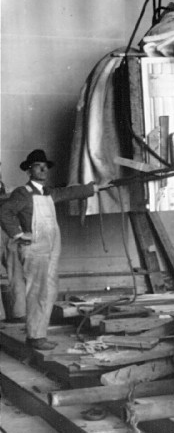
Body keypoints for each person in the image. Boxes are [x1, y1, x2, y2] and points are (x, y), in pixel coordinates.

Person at [1, 149, 114, 349]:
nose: (43, 169)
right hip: (35, 249)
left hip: (51, 248)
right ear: (29, 170)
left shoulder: (48, 192)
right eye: (38, 166)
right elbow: (4, 211)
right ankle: (35, 337)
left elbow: (69, 193)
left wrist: (94, 188)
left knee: (49, 291)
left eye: (45, 166)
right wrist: (18, 234)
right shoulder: (23, 193)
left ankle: (39, 334)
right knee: (38, 292)